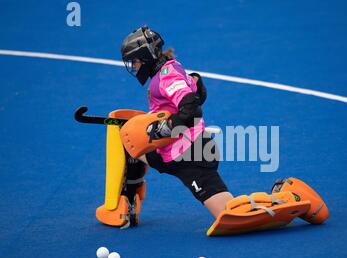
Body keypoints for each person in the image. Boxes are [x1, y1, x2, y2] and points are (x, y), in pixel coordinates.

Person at [95, 25, 329, 235]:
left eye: (134, 60)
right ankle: (124, 208)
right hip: (172, 153)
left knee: (232, 213)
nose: (133, 66)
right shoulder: (167, 71)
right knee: (126, 139)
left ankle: (289, 195)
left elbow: (191, 107)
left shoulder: (166, 77)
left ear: (146, 56)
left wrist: (162, 129)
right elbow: (198, 91)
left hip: (190, 155)